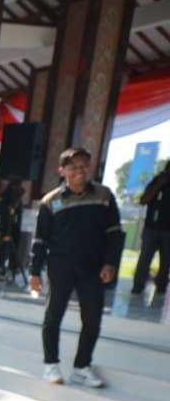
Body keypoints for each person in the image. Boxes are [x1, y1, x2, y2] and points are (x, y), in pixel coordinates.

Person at [29, 147, 124, 388]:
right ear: (62, 171)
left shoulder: (104, 196)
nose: (80, 171)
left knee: (92, 319)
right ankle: (51, 364)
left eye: (84, 166)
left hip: (93, 267)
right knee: (54, 315)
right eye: (74, 167)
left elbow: (114, 233)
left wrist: (110, 263)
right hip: (61, 265)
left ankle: (82, 367)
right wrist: (35, 272)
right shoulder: (51, 201)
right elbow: (40, 240)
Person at [131, 163, 170, 297]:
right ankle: (138, 285)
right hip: (152, 228)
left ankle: (161, 286)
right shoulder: (157, 181)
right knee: (145, 258)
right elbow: (143, 200)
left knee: (166, 261)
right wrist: (159, 185)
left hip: (168, 231)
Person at [0, 179, 24, 278]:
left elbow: (18, 215)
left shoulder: (18, 199)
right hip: (5, 227)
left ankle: (13, 267)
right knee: (3, 246)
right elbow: (3, 214)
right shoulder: (5, 197)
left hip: (14, 227)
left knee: (14, 246)